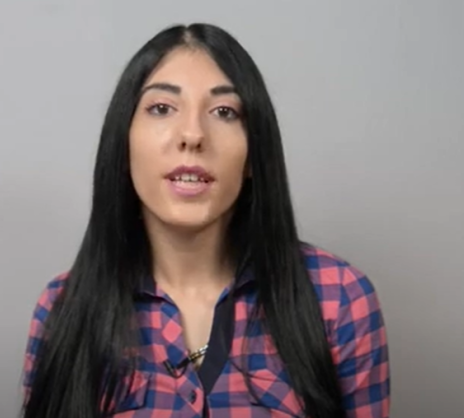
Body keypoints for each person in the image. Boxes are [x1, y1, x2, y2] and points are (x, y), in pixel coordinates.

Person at [20, 23, 390, 418]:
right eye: (161, 108)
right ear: (123, 143)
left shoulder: (338, 298)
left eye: (224, 112)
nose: (193, 134)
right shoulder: (63, 307)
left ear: (253, 155)